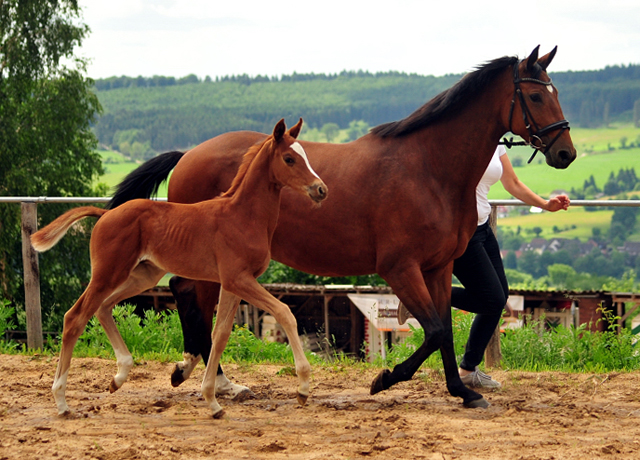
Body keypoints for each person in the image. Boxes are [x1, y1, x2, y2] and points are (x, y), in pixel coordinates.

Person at [398, 145, 570, 388]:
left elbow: (513, 183)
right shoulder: (459, 135)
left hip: (482, 228)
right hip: (459, 232)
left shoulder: (495, 140)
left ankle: (468, 369)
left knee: (499, 298)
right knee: (491, 300)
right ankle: (420, 298)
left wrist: (545, 204)